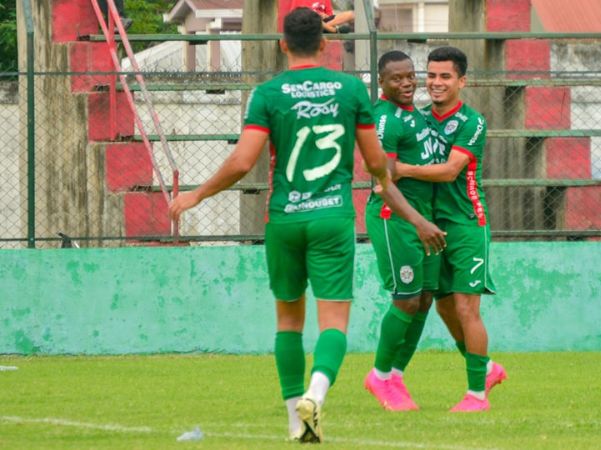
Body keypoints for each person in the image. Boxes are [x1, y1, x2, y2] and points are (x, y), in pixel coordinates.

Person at [168, 8, 445, 443]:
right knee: (333, 321)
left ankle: (296, 423)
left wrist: (196, 195)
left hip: (284, 218)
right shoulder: (351, 90)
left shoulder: (268, 94)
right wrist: (384, 178)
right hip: (332, 217)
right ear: (324, 43)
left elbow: (243, 161)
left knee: (288, 321)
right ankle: (317, 393)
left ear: (282, 45)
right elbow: (375, 164)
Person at [394, 46, 506, 412]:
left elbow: (449, 170)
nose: (436, 83)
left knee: (466, 308)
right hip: (430, 227)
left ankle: (477, 395)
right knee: (441, 307)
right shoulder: (418, 118)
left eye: (445, 76)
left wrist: (403, 170)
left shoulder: (473, 121)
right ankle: (485, 367)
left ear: (462, 81)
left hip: (466, 224)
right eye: (431, 75)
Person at [363, 51, 442, 411]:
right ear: (382, 82)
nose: (407, 83)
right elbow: (384, 181)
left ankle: (395, 376)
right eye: (397, 78)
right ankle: (379, 376)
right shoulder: (383, 120)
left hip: (422, 219)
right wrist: (418, 221)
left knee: (424, 298)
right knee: (406, 298)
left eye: (411, 76)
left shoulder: (418, 116)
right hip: (394, 219)